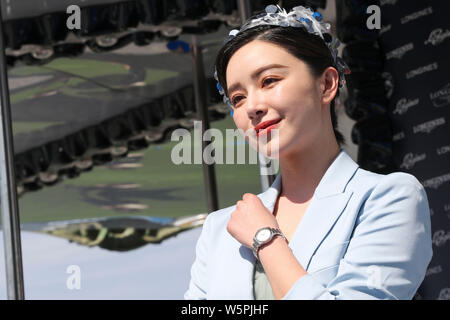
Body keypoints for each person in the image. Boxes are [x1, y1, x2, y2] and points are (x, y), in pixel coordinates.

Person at [184, 5, 433, 300]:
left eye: (269, 81)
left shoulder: (387, 198)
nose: (252, 107)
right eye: (237, 98)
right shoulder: (219, 228)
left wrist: (266, 239)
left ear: (327, 84)